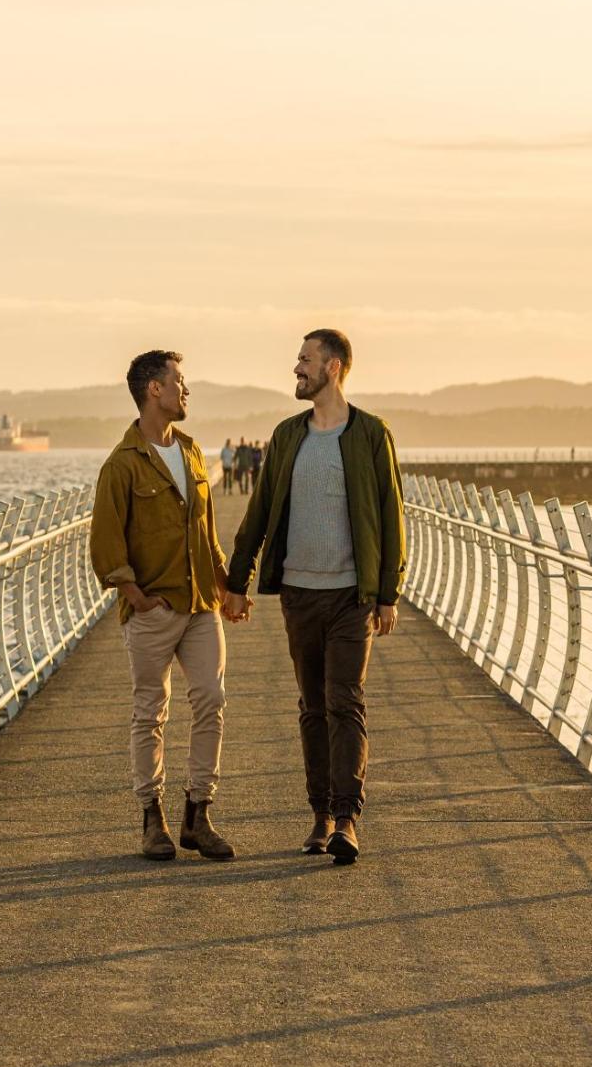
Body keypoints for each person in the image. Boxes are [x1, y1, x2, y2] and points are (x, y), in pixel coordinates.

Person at [223, 329, 406, 864]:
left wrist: (388, 592)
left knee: (344, 702)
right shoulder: (286, 436)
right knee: (312, 706)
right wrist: (238, 581)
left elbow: (390, 513)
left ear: (334, 367)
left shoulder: (371, 433)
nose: (296, 368)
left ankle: (348, 819)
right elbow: (258, 514)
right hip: (299, 595)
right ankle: (320, 814)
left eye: (305, 360)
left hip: (353, 596)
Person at [89, 349, 236, 863]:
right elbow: (106, 544)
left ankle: (199, 814)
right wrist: (136, 598)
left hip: (200, 605)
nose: (185, 388)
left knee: (211, 699)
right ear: (155, 389)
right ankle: (153, 819)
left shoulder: (193, 452)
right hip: (154, 608)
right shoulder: (122, 464)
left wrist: (228, 585)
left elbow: (207, 530)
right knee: (150, 712)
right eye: (178, 380)